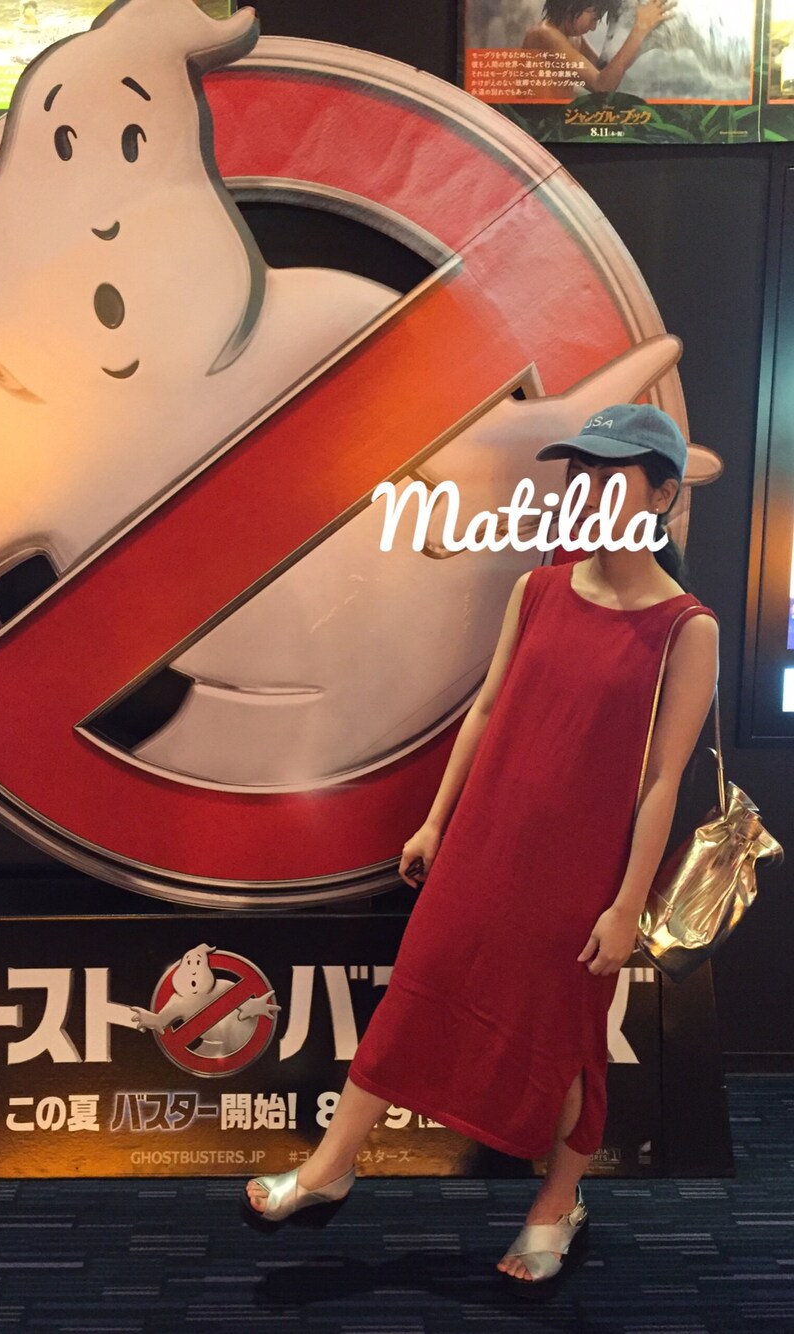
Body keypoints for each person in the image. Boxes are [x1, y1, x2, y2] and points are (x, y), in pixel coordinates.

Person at [242, 403, 720, 1297]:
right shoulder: (537, 590)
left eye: (611, 476)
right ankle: (331, 1167)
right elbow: (489, 709)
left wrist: (626, 905)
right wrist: (435, 822)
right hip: (483, 842)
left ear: (662, 494)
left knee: (564, 1037)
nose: (588, 492)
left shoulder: (686, 629)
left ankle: (558, 1203)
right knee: (418, 987)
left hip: (582, 874)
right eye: (580, 475)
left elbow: (663, 780)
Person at [522, 0, 676, 100]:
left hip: (554, 119)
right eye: (594, 19)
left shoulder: (572, 37)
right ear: (571, 6)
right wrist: (640, 28)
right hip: (536, 125)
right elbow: (601, 86)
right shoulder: (545, 35)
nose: (593, 27)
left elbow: (603, 70)